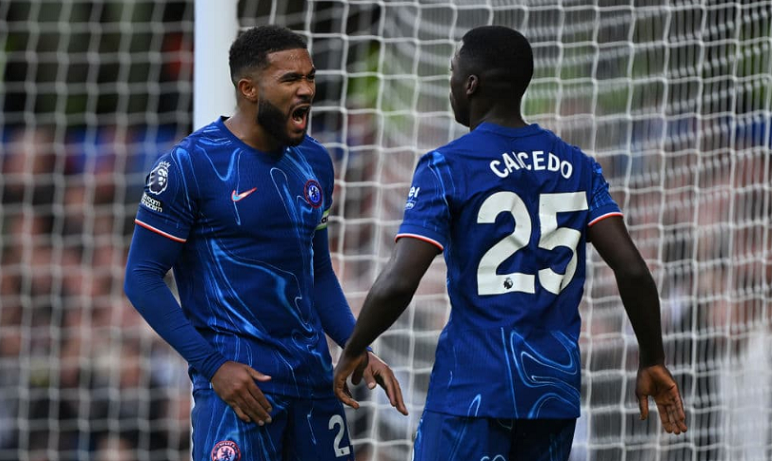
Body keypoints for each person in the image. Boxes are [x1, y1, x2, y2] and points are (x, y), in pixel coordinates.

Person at [333, 25, 687, 460]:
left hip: (472, 388)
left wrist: (354, 347)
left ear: (470, 84)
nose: (449, 83)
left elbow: (399, 281)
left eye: (452, 71)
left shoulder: (447, 166)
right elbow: (632, 270)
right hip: (552, 394)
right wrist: (652, 359)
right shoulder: (579, 166)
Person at [124, 25, 406, 461]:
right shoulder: (189, 166)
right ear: (249, 89)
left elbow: (317, 273)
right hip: (241, 389)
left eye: (310, 77)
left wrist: (356, 347)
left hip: (313, 382)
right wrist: (213, 367)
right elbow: (142, 278)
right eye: (290, 79)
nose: (306, 90)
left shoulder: (315, 161)